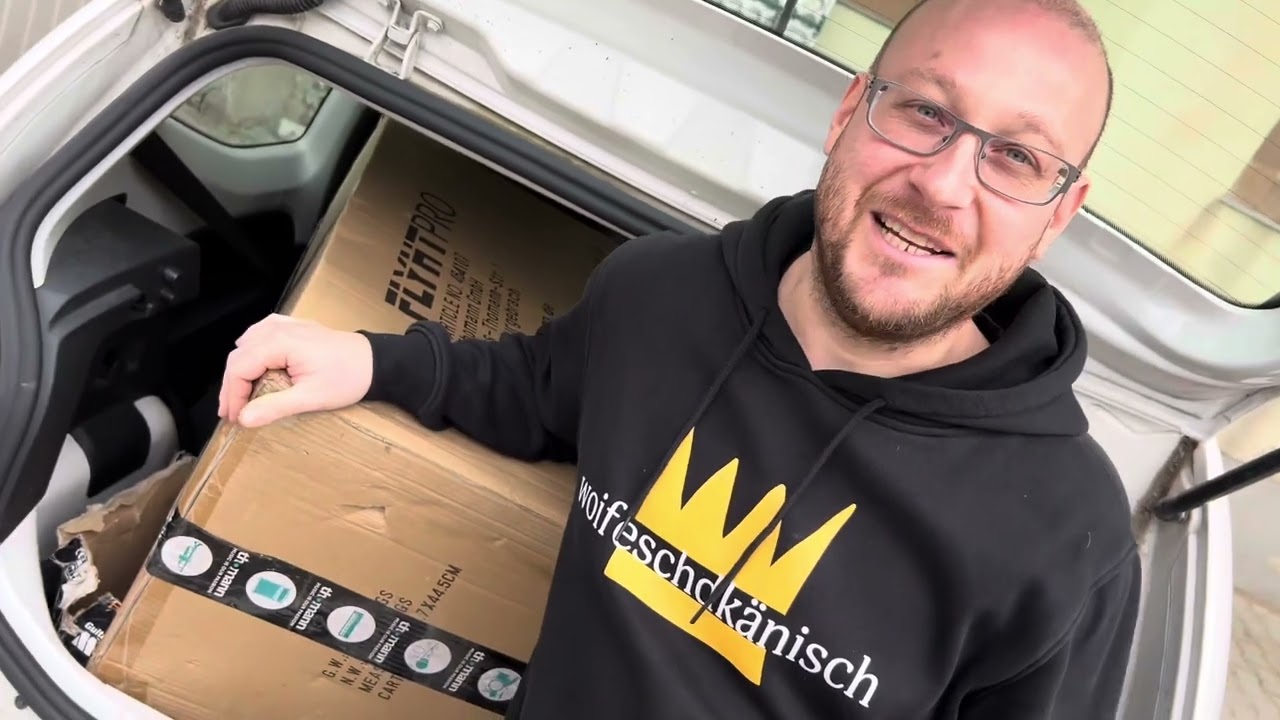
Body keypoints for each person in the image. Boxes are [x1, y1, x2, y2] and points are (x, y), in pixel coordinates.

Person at [218, 0, 1141, 716]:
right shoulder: (661, 294)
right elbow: (538, 385)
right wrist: (372, 360)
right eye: (925, 111)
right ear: (850, 113)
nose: (941, 183)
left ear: (1059, 213)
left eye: (1017, 159)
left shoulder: (1069, 545)